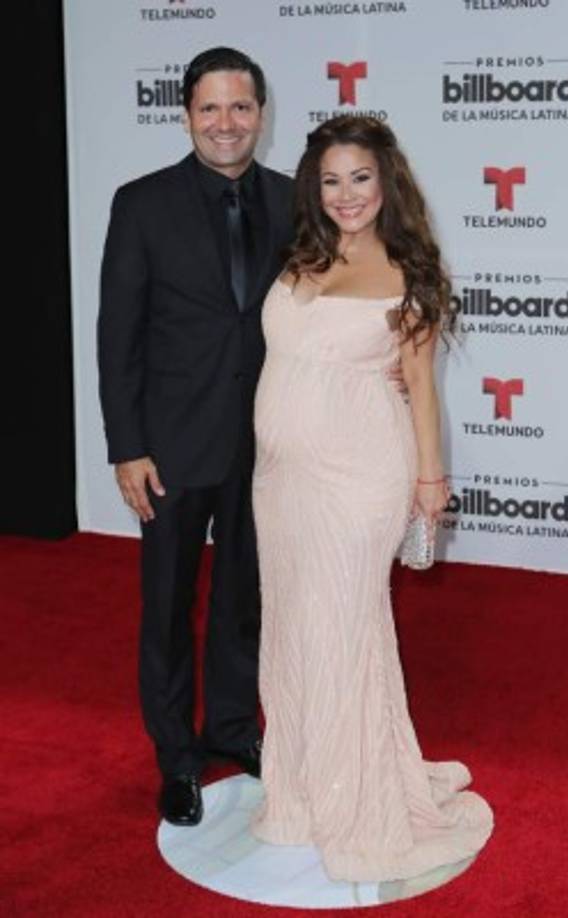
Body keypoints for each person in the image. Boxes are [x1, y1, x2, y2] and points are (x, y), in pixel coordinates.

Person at [251, 116, 493, 881]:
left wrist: (430, 481)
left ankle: (357, 803)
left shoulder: (407, 271)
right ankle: (303, 793)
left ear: (387, 182)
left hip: (359, 477)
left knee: (341, 630)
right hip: (280, 482)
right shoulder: (305, 251)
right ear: (313, 189)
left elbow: (419, 386)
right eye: (331, 180)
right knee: (293, 628)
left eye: (360, 178)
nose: (346, 194)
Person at [97, 47, 294, 827]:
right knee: (168, 608)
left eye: (240, 107)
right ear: (185, 116)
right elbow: (119, 335)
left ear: (261, 115)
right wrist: (127, 446)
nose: (225, 123)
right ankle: (177, 757)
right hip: (171, 449)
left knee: (245, 600)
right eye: (209, 108)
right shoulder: (142, 204)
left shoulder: (292, 200)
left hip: (266, 444)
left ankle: (234, 730)